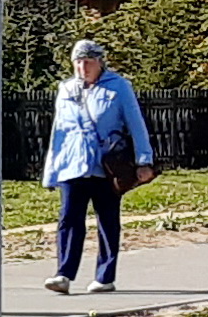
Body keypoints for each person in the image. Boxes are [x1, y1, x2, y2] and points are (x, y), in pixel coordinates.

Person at [41, 38, 154, 295]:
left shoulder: (118, 87)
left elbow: (136, 125)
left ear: (100, 62)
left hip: (107, 166)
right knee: (69, 219)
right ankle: (63, 274)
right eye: (78, 62)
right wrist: (52, 170)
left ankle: (105, 277)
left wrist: (145, 160)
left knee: (107, 220)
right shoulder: (66, 89)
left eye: (88, 62)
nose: (83, 68)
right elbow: (59, 133)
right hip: (73, 164)